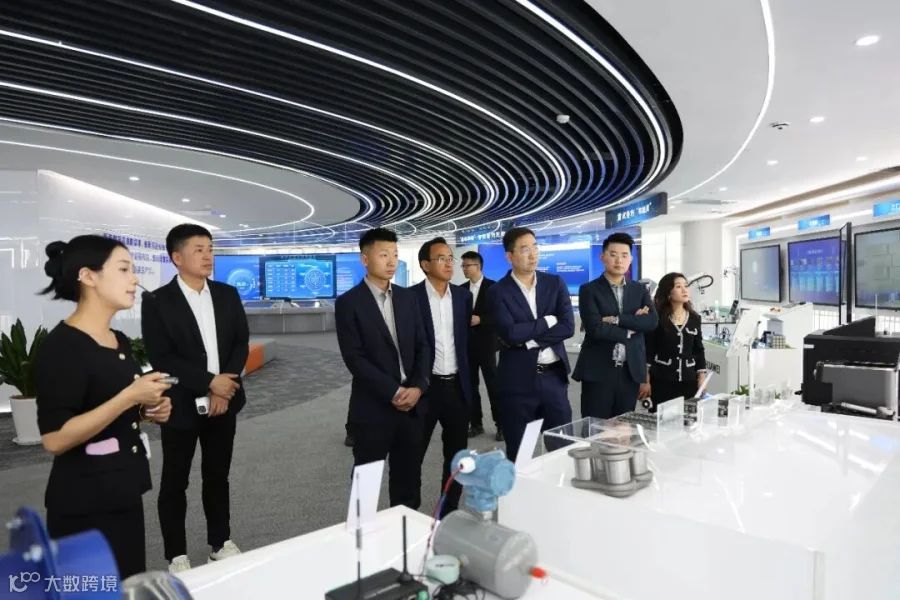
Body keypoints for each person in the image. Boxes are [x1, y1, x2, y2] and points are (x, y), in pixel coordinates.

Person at [34, 235, 173, 578]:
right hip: (84, 504)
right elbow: (55, 438)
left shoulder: (117, 340)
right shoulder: (62, 347)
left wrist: (146, 410)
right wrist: (130, 396)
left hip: (123, 490)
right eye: (124, 269)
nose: (135, 279)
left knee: (126, 584)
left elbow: (108, 406)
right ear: (88, 276)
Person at [141, 224, 250, 573]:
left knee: (218, 475)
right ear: (177, 257)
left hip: (224, 401)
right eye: (199, 249)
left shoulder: (227, 294)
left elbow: (240, 343)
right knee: (176, 479)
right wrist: (209, 383)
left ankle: (220, 542)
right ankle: (176, 555)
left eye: (210, 248)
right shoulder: (157, 301)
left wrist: (224, 386)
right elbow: (163, 357)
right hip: (181, 404)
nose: (208, 256)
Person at [335, 227, 431, 509]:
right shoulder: (349, 303)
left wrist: (418, 387)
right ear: (365, 259)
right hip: (373, 407)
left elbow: (424, 345)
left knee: (408, 481)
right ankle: (361, 535)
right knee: (366, 483)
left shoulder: (408, 298)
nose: (392, 261)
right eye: (384, 254)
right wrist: (393, 391)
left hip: (412, 405)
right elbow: (355, 358)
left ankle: (405, 532)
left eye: (395, 255)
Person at [487, 227, 575, 462]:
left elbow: (568, 326)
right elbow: (510, 334)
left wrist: (530, 341)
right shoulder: (497, 291)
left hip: (553, 378)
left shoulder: (554, 283)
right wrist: (547, 321)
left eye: (535, 247)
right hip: (517, 382)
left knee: (562, 447)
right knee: (520, 453)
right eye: (525, 249)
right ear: (510, 256)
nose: (533, 254)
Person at [412, 238, 473, 517]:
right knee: (413, 453)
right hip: (424, 389)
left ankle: (448, 511)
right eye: (441, 258)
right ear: (425, 265)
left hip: (457, 387)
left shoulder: (462, 297)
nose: (449, 263)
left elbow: (464, 341)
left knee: (457, 456)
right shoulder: (409, 297)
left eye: (450, 258)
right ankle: (409, 510)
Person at [573, 232, 658, 419]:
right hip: (599, 369)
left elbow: (651, 322)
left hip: (630, 370)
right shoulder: (589, 290)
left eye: (624, 255)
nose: (619, 260)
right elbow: (595, 328)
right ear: (602, 257)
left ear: (630, 259)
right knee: (595, 426)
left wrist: (615, 320)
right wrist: (632, 326)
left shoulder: (639, 289)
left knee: (624, 427)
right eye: (613, 254)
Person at [644, 272, 708, 408]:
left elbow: (699, 350)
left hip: (689, 380)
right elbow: (648, 350)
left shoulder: (694, 318)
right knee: (662, 418)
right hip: (662, 380)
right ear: (668, 292)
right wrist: (645, 379)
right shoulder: (657, 318)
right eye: (678, 286)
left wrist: (702, 377)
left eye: (686, 286)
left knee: (688, 417)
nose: (685, 290)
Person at [460, 250, 502, 441]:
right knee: (470, 386)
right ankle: (475, 424)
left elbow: (500, 315)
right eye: (462, 265)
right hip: (467, 346)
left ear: (477, 266)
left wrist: (481, 319)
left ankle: (501, 425)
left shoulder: (494, 288)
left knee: (494, 385)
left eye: (466, 265)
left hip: (487, 344)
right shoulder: (461, 290)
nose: (463, 269)